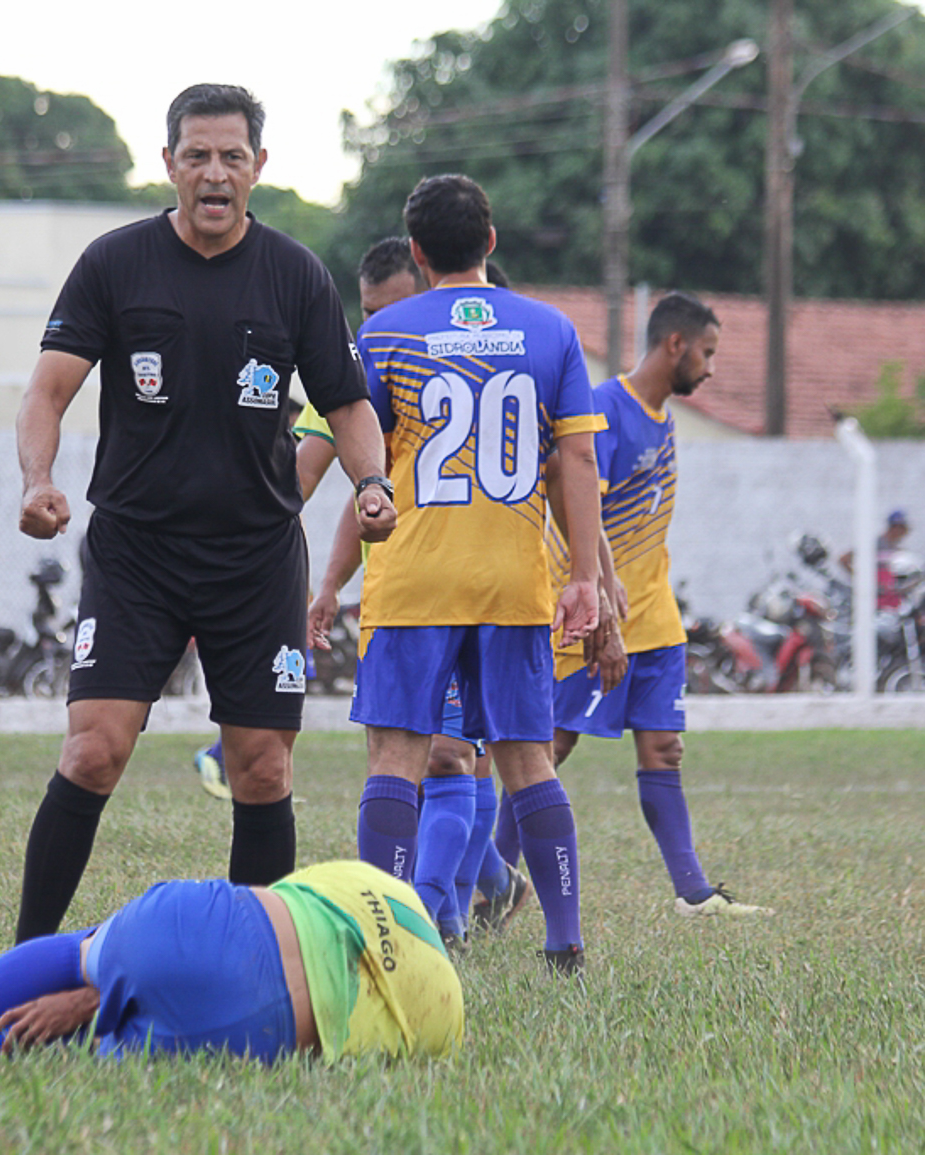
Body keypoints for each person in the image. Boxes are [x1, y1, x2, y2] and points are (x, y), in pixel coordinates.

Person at [13, 84, 395, 943]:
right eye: (197, 155)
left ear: (258, 167)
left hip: (254, 558)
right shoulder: (116, 262)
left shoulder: (295, 274)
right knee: (93, 750)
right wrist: (36, 478)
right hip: (135, 553)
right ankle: (26, 958)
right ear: (169, 164)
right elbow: (47, 389)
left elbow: (347, 404)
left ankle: (252, 968)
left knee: (261, 766)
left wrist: (373, 484)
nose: (214, 174)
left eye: (231, 157)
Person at [348, 174, 603, 973]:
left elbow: (354, 446)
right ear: (491, 241)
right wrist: (586, 577)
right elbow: (578, 458)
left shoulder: (385, 333)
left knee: (396, 758)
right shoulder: (551, 329)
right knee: (526, 758)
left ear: (416, 254)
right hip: (510, 580)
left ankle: (386, 947)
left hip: (412, 578)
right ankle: (563, 940)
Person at [0, 860, 461, 1063]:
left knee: (83, 953)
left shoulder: (374, 885)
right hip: (250, 1018)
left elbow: (274, 905)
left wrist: (98, 986)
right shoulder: (445, 1019)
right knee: (67, 1049)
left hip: (187, 922)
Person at [548, 292, 770, 920]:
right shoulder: (606, 409)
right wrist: (596, 596)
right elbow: (566, 496)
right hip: (600, 615)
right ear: (675, 344)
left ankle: (694, 892)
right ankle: (497, 880)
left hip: (657, 616)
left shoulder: (663, 415)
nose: (711, 367)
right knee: (551, 749)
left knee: (664, 749)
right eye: (707, 352)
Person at [190, 236, 426, 801]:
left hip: (490, 588)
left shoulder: (465, 357)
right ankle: (471, 883)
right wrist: (322, 584)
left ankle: (490, 878)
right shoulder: (350, 374)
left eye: (392, 311)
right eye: (368, 314)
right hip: (402, 595)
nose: (376, 328)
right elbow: (306, 481)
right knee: (430, 754)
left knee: (478, 754)